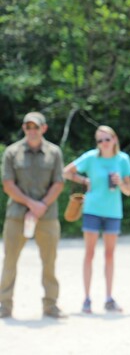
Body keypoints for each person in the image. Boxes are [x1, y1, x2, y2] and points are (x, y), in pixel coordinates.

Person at [63, 125, 130, 314]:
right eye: (100, 140)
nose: (103, 143)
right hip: (92, 210)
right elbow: (66, 172)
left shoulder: (123, 159)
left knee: (109, 255)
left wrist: (121, 183)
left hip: (113, 212)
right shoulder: (90, 158)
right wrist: (84, 181)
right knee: (89, 254)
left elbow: (129, 191)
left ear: (114, 139)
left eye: (107, 139)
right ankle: (86, 299)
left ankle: (109, 298)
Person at [0, 112, 66, 319]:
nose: (32, 131)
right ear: (24, 129)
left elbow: (59, 183)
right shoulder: (12, 152)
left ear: (43, 128)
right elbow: (8, 185)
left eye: (36, 127)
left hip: (47, 216)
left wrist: (42, 205)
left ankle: (51, 304)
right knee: (9, 261)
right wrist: (31, 204)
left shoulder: (54, 152)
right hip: (17, 215)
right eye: (28, 127)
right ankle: (4, 304)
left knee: (50, 261)